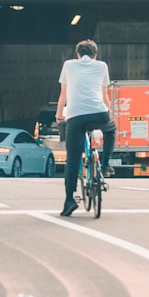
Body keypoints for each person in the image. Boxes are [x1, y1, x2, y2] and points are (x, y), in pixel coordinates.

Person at [56, 39, 116, 217]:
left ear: (77, 54)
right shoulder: (102, 66)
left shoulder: (68, 65)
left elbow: (63, 93)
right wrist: (109, 111)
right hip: (99, 113)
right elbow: (105, 95)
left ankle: (69, 201)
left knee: (73, 160)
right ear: (95, 55)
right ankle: (105, 166)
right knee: (111, 130)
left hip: (75, 116)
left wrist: (59, 114)